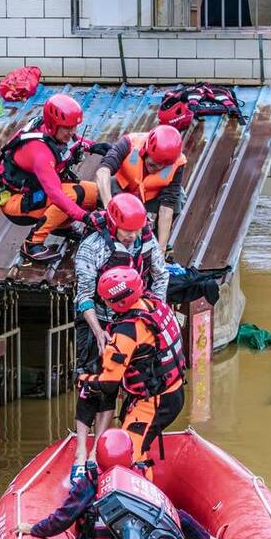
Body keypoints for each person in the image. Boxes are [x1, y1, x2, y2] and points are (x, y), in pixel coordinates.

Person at [72, 193, 169, 482]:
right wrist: (98, 331)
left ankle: (97, 451)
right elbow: (84, 296)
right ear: (114, 224)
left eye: (136, 231)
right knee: (91, 382)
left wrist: (153, 311)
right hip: (98, 319)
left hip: (130, 321)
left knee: (113, 386)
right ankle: (80, 451)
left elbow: (160, 276)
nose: (131, 237)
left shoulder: (145, 241)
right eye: (127, 231)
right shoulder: (92, 247)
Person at [15, 428, 226, 539]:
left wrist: (34, 529)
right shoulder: (138, 475)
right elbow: (168, 512)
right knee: (176, 515)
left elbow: (63, 518)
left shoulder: (89, 481)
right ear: (130, 454)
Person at [78, 267, 186, 470]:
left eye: (107, 300)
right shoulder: (154, 305)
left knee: (130, 456)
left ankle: (139, 496)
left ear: (119, 302)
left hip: (153, 401)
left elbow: (109, 384)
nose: (106, 304)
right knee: (137, 447)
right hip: (172, 389)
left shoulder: (127, 332)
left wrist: (84, 380)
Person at [0, 92, 102, 264]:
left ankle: (62, 227)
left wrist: (96, 147)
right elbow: (57, 195)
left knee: (95, 193)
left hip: (37, 194)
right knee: (73, 195)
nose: (73, 132)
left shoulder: (52, 132)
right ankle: (32, 244)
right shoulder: (40, 153)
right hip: (19, 203)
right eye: (68, 128)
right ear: (53, 125)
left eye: (74, 127)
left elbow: (72, 142)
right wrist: (84, 217)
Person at [95, 124, 186, 254]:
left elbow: (167, 207)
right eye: (152, 164)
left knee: (179, 199)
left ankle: (154, 240)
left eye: (162, 167)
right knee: (102, 187)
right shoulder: (129, 143)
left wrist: (161, 249)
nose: (157, 169)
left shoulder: (178, 162)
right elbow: (103, 171)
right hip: (123, 191)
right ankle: (105, 229)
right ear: (145, 151)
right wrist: (109, 208)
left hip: (150, 196)